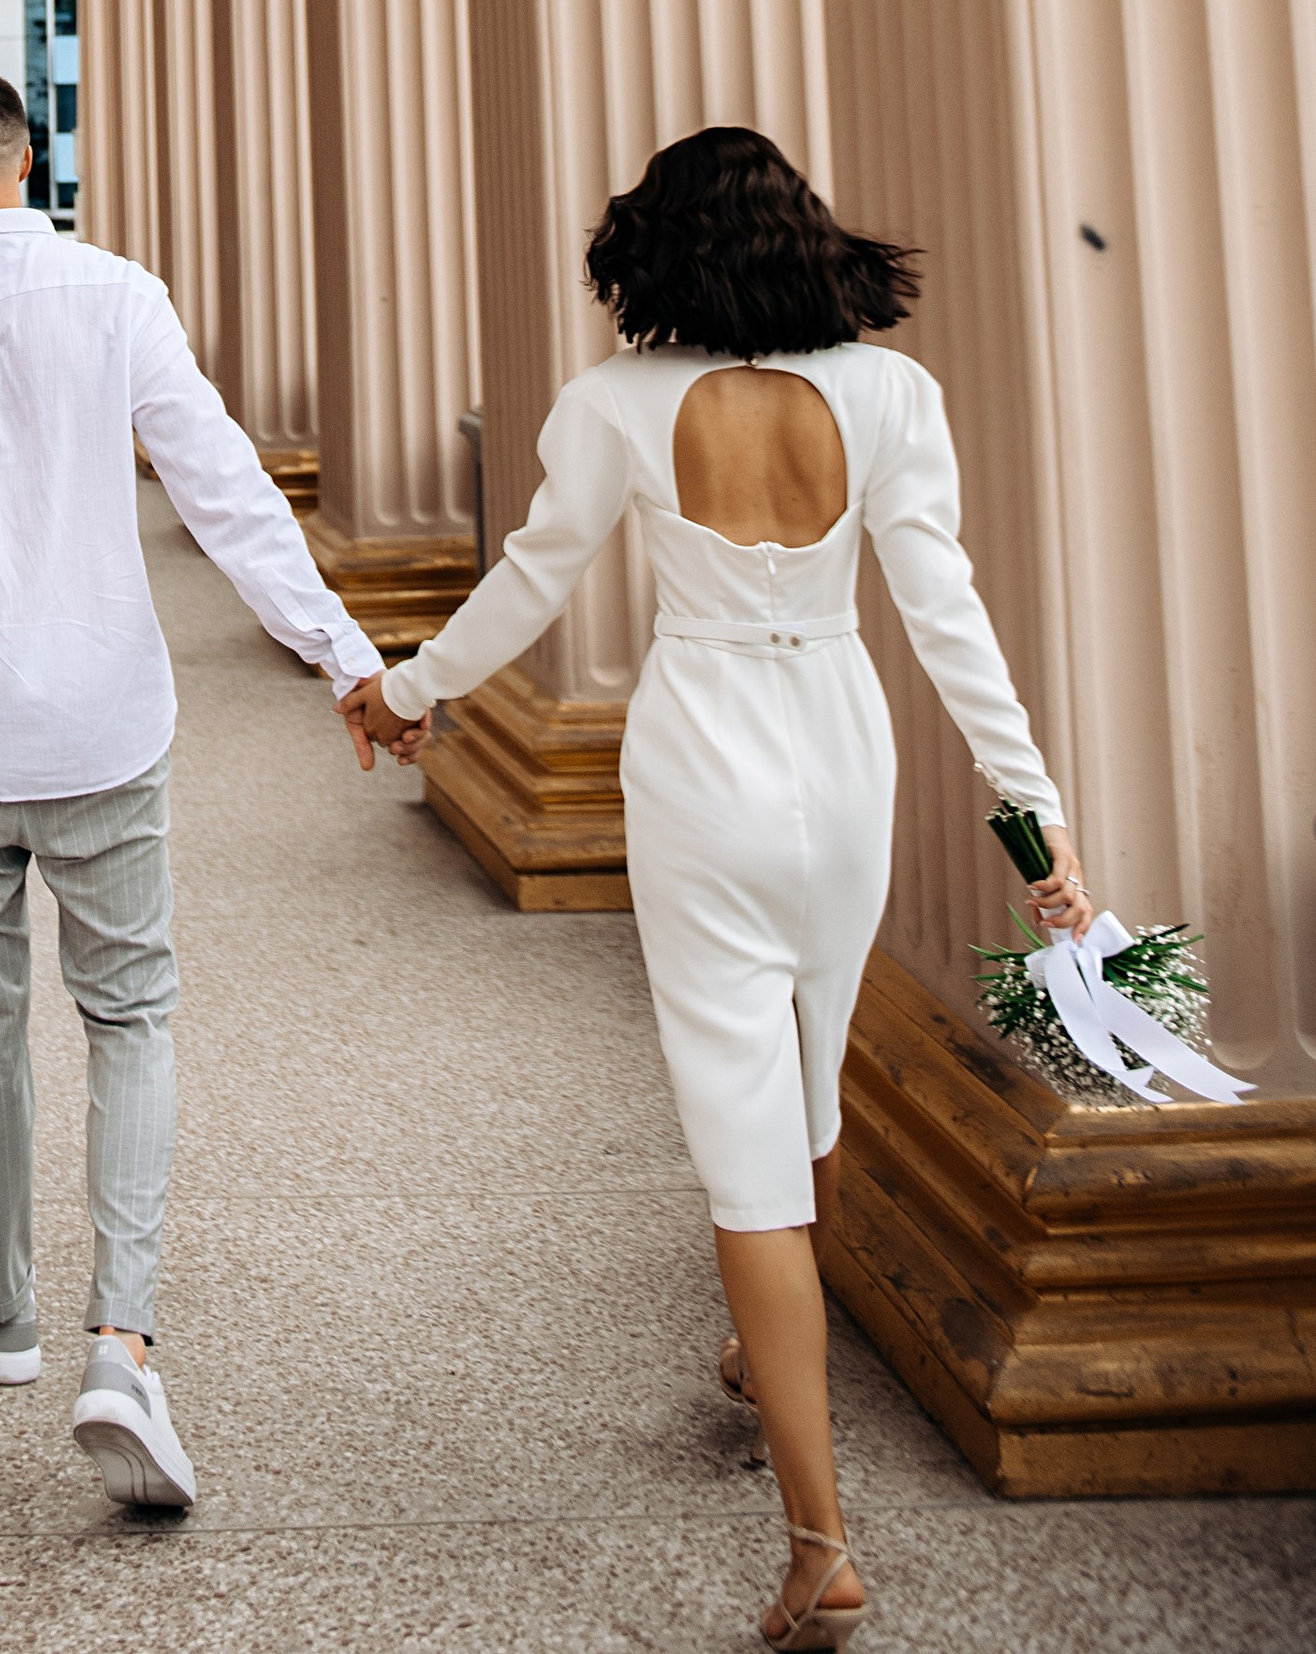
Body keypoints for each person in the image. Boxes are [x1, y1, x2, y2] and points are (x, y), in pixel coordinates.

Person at [344, 128, 1089, 1653]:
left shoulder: (616, 405)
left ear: (658, 253)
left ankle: (820, 1545)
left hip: (703, 763)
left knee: (742, 1137)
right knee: (811, 1071)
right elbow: (946, 616)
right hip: (843, 746)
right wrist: (1039, 821)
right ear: (801, 236)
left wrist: (408, 687)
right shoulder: (890, 395)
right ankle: (769, 1359)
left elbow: (532, 576)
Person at [0, 67, 385, 1512]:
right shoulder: (124, 296)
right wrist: (343, 656)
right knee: (130, 1015)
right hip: (106, 724)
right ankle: (118, 1345)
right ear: (26, 162)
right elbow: (224, 488)